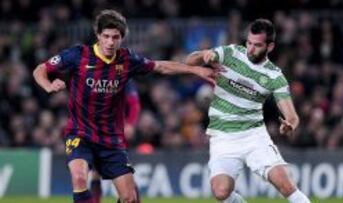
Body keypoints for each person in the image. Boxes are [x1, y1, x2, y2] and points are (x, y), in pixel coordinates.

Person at [33, 9, 216, 203]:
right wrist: (48, 85)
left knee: (130, 198)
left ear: (122, 38)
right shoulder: (78, 55)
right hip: (80, 133)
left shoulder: (127, 60)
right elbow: (41, 69)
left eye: (116, 37)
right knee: (79, 177)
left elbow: (160, 66)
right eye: (106, 36)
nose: (110, 42)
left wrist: (194, 69)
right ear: (98, 36)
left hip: (111, 140)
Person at [185, 19, 311, 203]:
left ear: (270, 46)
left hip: (254, 136)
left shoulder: (275, 76)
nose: (251, 49)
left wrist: (289, 125)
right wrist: (203, 55)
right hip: (223, 135)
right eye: (249, 43)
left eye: (257, 45)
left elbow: (291, 115)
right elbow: (188, 61)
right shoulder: (230, 53)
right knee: (221, 192)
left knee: (286, 185)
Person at [90, 80, 142, 203]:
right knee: (95, 172)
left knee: (124, 175)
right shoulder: (95, 76)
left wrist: (130, 124)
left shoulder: (124, 78)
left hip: (116, 133)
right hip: (96, 131)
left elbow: (134, 103)